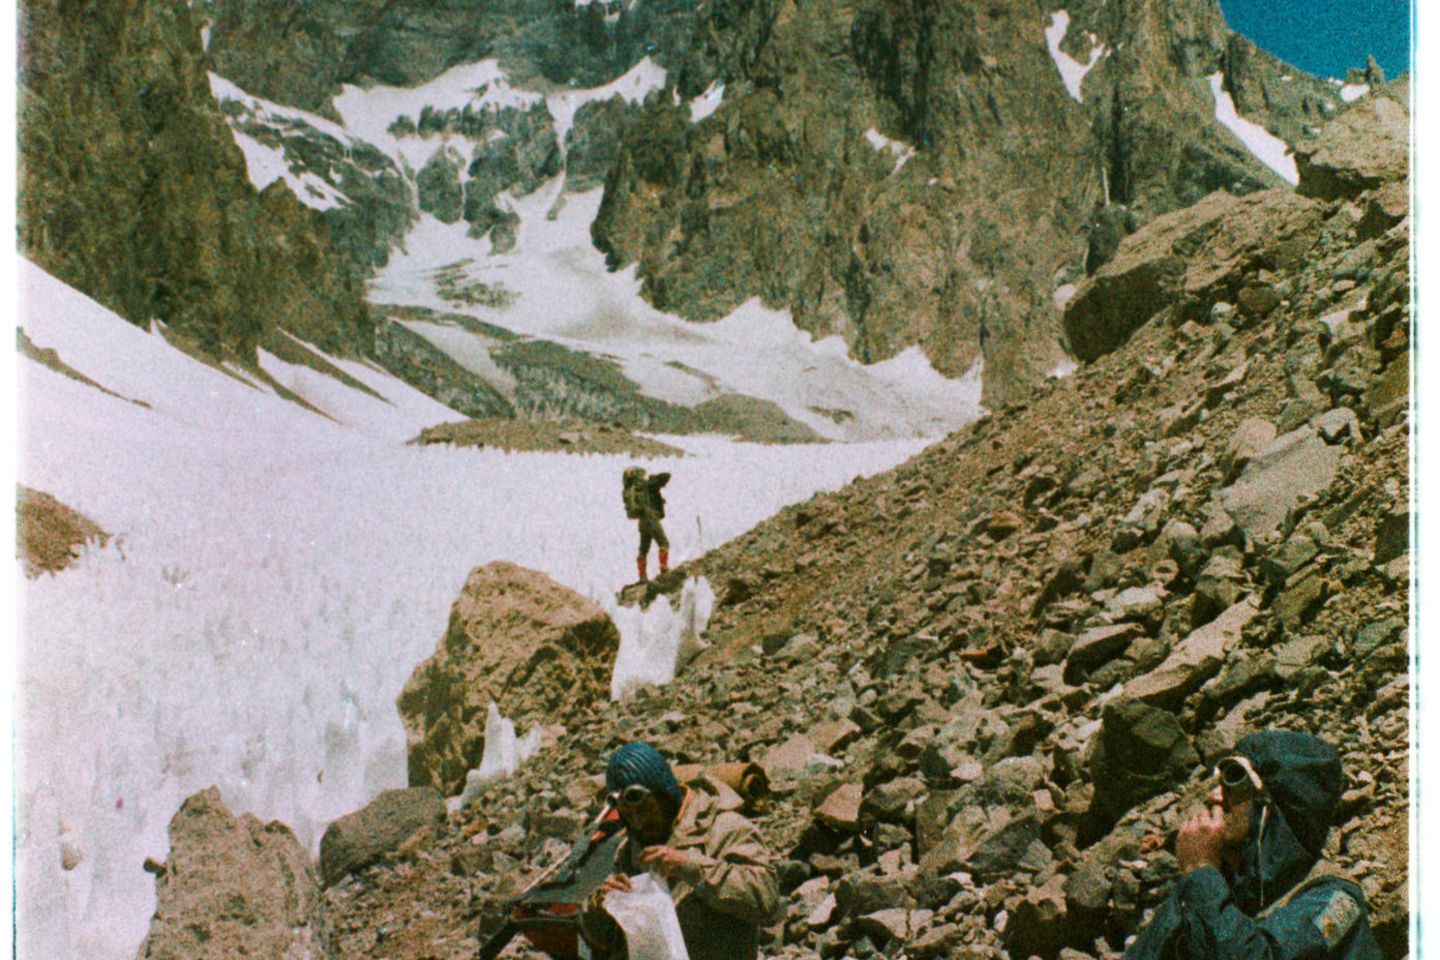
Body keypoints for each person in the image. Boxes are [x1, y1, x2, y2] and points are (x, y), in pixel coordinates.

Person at [1122, 729, 1383, 960]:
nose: (1215, 796)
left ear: (1271, 804)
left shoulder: (1333, 897)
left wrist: (1201, 869)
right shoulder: (1213, 889)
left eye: (1234, 782)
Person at [578, 741, 778, 960]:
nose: (639, 823)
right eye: (629, 815)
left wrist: (692, 867)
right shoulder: (629, 850)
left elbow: (766, 900)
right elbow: (602, 938)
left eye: (646, 809)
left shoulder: (723, 829)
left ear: (666, 795)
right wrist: (603, 904)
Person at [622, 467, 670, 582]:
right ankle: (664, 569)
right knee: (664, 544)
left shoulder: (632, 489)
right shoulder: (647, 485)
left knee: (643, 550)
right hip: (651, 519)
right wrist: (653, 479)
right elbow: (667, 475)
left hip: (642, 522)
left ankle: (642, 576)